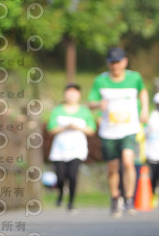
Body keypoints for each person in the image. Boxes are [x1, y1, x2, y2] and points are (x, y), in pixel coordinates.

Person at [88, 47, 149, 217]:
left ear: (125, 62)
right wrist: (98, 105)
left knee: (129, 162)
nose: (116, 66)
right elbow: (91, 102)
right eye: (112, 62)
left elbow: (143, 92)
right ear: (108, 63)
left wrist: (145, 110)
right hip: (109, 130)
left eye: (118, 62)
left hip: (129, 128)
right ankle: (115, 198)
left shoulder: (134, 77)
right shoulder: (100, 80)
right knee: (112, 168)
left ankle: (129, 198)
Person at [47, 83, 96, 213]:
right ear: (65, 94)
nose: (72, 95)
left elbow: (91, 130)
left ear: (79, 95)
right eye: (69, 92)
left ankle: (71, 202)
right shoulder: (57, 110)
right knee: (60, 176)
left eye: (74, 92)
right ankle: (61, 192)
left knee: (72, 175)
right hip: (59, 149)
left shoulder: (84, 111)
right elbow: (50, 129)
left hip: (77, 149)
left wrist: (78, 127)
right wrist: (65, 127)